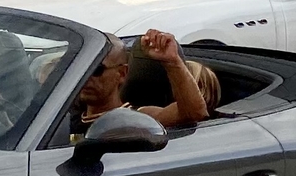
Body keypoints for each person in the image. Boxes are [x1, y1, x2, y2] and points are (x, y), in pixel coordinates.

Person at [75, 28, 211, 131]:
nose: (87, 76)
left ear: (122, 73)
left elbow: (195, 113)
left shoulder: (138, 119)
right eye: (83, 68)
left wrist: (172, 62)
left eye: (97, 70)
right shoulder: (59, 115)